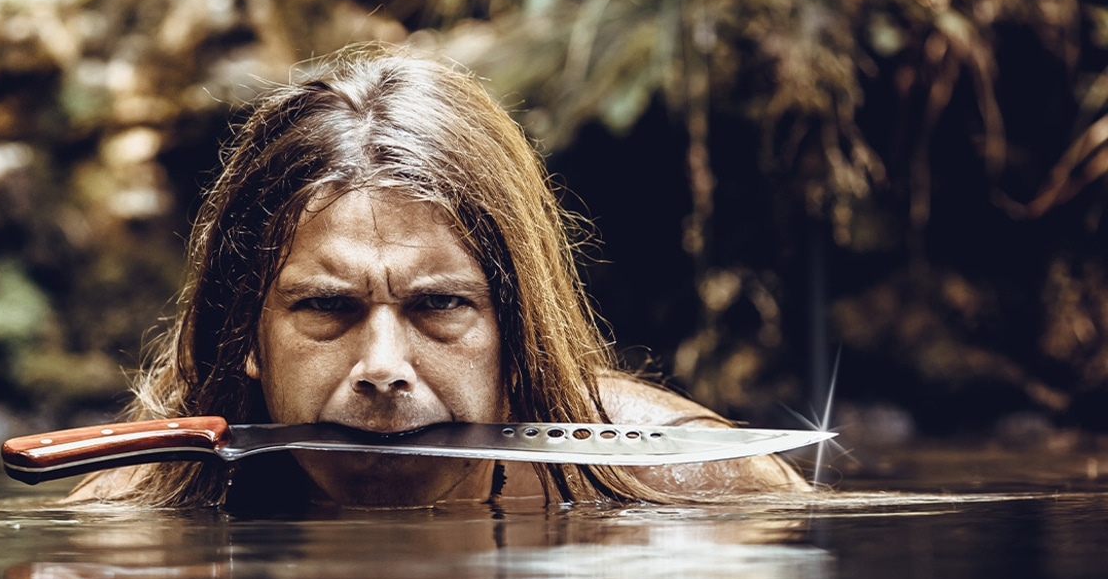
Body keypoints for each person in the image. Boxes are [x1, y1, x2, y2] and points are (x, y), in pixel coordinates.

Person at [74, 47, 806, 509]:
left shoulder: (700, 486)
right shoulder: (132, 514)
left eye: (441, 305)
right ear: (248, 334)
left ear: (515, 330)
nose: (383, 369)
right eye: (327, 307)